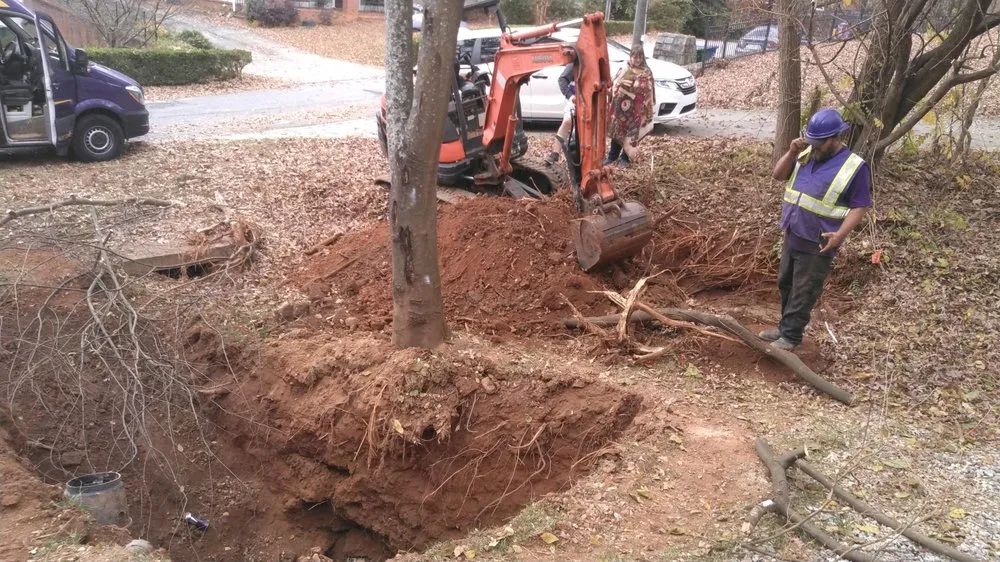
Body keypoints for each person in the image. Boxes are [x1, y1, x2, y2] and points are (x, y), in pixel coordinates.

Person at [760, 108, 872, 350]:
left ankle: (791, 336)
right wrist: (791, 152)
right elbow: (778, 175)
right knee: (786, 283)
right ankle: (784, 327)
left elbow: (860, 205)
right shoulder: (806, 154)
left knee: (804, 289)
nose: (815, 146)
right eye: (812, 141)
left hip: (819, 240)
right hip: (793, 231)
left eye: (819, 143)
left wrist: (840, 235)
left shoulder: (854, 167)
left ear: (834, 139)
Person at [606, 44, 655, 168]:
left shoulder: (646, 72)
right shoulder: (624, 68)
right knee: (618, 132)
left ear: (642, 58)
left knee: (631, 134)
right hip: (620, 109)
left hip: (636, 110)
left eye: (640, 57)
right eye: (634, 57)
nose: (637, 60)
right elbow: (614, 84)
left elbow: (649, 91)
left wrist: (647, 112)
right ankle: (612, 156)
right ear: (630, 57)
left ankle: (625, 158)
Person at [545, 62, 576, 166]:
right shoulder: (575, 64)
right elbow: (562, 80)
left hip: (591, 103)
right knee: (568, 121)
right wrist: (571, 97)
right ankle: (555, 153)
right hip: (576, 100)